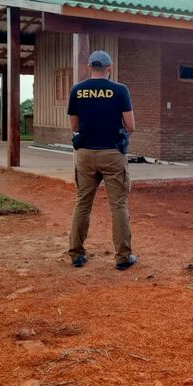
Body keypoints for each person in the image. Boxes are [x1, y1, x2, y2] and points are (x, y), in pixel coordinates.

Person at [67, 50, 136, 271]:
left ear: (89, 67)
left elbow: (75, 126)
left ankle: (76, 254)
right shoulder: (120, 90)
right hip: (112, 153)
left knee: (83, 203)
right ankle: (123, 257)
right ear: (110, 68)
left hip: (85, 154)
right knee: (118, 205)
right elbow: (130, 125)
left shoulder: (77, 90)